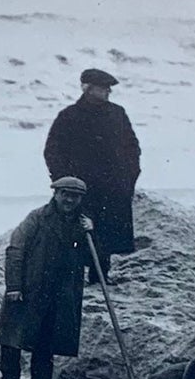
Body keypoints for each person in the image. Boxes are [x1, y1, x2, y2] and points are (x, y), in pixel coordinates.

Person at [0, 176, 94, 379]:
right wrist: (14, 286)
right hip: (29, 287)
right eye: (65, 194)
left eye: (75, 196)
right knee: (13, 339)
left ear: (81, 199)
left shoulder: (81, 225)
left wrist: (91, 233)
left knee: (46, 341)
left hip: (59, 293)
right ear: (55, 194)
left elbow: (91, 258)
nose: (69, 199)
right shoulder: (37, 218)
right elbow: (15, 250)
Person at [43, 67, 143, 261]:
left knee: (106, 237)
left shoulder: (117, 113)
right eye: (103, 87)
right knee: (77, 236)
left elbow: (132, 146)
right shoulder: (69, 116)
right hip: (81, 189)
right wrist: (64, 182)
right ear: (88, 88)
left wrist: (130, 175)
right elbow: (52, 151)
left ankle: (101, 276)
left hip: (113, 188)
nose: (108, 91)